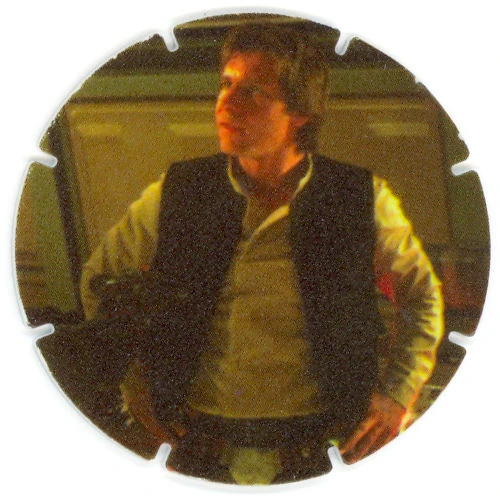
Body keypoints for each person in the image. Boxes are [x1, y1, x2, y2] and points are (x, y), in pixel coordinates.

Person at [79, 23, 443, 484]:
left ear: (300, 112)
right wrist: (133, 385)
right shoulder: (178, 191)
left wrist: (396, 396)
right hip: (198, 449)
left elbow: (423, 297)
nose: (225, 104)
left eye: (251, 92)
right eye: (225, 84)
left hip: (323, 450)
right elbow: (100, 281)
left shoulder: (358, 197)